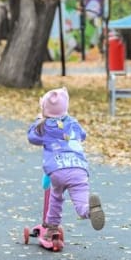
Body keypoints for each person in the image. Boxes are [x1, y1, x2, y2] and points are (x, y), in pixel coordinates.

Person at [27, 87, 105, 241]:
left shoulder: (44, 126)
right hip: (79, 168)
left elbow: (32, 137)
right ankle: (89, 211)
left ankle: (51, 228)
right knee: (81, 199)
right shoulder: (72, 122)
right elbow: (83, 135)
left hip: (57, 169)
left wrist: (37, 121)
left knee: (56, 197)